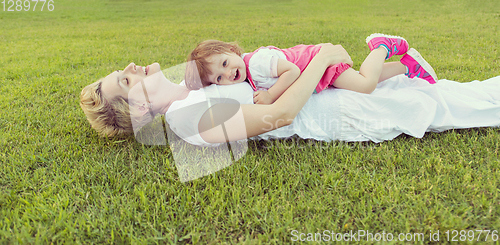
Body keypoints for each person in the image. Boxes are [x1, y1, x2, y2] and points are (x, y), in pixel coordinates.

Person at [80, 43, 500, 147]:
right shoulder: (188, 120)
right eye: (127, 81)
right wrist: (323, 58)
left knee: (452, 95)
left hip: (332, 90)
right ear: (139, 108)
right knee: (457, 104)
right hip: (342, 109)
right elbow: (278, 116)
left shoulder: (193, 88)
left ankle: (399, 64)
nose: (132, 68)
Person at [184, 34, 438, 104]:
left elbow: (293, 71)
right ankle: (406, 66)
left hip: (321, 63)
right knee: (361, 78)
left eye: (226, 64)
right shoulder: (248, 71)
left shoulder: (257, 64)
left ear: (232, 51)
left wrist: (272, 95)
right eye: (219, 78)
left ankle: (382, 47)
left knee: (365, 84)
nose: (228, 74)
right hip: (318, 69)